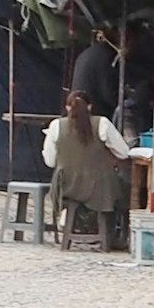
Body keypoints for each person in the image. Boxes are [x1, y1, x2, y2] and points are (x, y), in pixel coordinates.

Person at [45, 87, 132, 244]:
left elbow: (50, 161)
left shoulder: (56, 126)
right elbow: (124, 153)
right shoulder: (102, 124)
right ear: (90, 107)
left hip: (66, 189)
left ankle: (68, 221)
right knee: (125, 185)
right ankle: (116, 235)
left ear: (67, 107)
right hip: (100, 190)